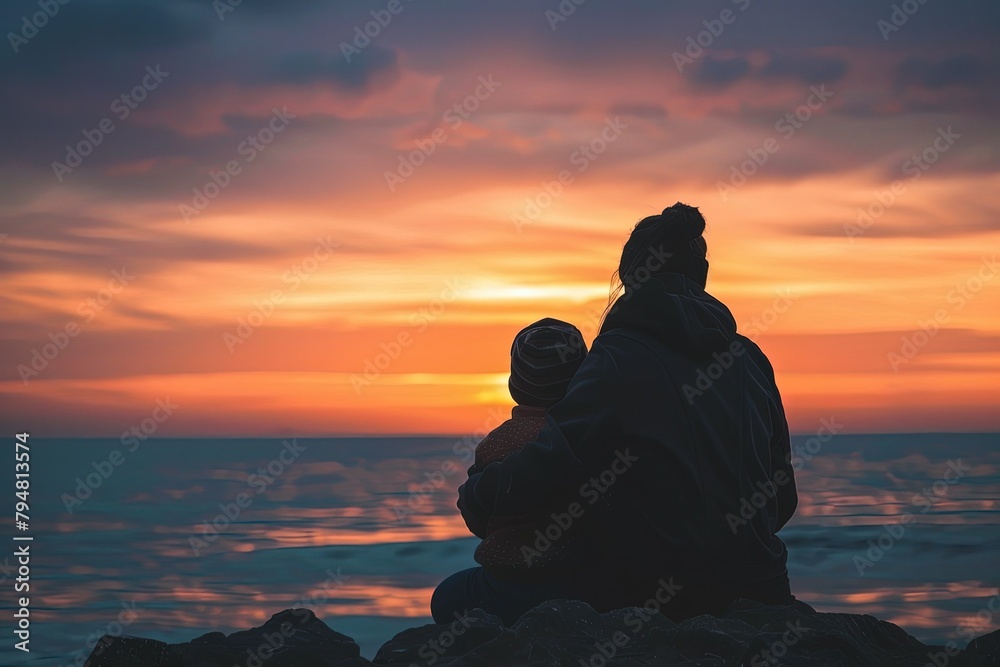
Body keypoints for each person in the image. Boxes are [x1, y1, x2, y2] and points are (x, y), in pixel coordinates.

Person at [431, 203, 798, 626]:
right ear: (703, 273)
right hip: (764, 584)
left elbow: (553, 463)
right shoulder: (752, 359)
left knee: (454, 598)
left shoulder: (618, 357)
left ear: (627, 278)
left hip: (660, 595)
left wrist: (478, 497)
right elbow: (781, 497)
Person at [471, 318, 588, 581]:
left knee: (448, 595)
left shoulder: (496, 443)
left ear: (514, 386)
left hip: (508, 578)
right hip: (578, 576)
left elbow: (478, 519)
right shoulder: (586, 435)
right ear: (581, 380)